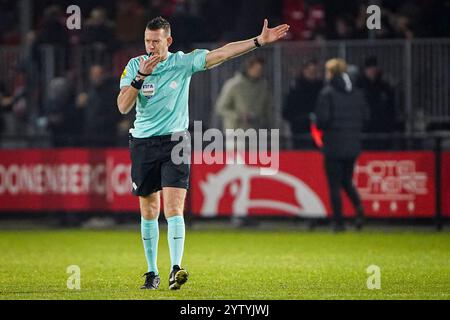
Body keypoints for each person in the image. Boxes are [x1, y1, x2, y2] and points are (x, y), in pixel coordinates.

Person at [117, 16, 289, 290]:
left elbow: (222, 53)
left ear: (168, 41)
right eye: (147, 41)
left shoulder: (182, 63)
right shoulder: (134, 66)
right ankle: (151, 272)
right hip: (143, 144)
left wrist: (258, 42)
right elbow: (123, 106)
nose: (150, 47)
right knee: (149, 210)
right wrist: (140, 77)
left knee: (174, 208)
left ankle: (175, 269)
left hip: (175, 141)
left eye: (156, 41)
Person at [314, 58, 369, 232]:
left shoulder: (327, 93)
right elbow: (366, 116)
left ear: (331, 73)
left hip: (334, 145)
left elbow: (323, 120)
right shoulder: (358, 93)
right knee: (347, 180)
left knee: (334, 184)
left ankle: (338, 223)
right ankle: (359, 208)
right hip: (353, 144)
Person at [215, 56, 273, 140]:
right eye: (257, 69)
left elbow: (268, 110)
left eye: (261, 70)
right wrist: (239, 116)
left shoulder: (263, 87)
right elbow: (220, 108)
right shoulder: (233, 85)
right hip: (235, 132)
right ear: (248, 68)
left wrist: (270, 127)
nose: (259, 72)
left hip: (255, 133)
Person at [282, 59, 322, 149]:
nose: (312, 73)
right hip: (300, 132)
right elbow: (287, 112)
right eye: (310, 70)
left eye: (314, 71)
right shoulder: (295, 89)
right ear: (304, 71)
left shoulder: (321, 88)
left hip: (318, 132)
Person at [77, 65, 121, 147]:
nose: (96, 77)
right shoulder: (86, 90)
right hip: (89, 134)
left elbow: (115, 111)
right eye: (94, 74)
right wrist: (79, 106)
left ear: (103, 75)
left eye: (99, 74)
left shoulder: (112, 91)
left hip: (108, 134)